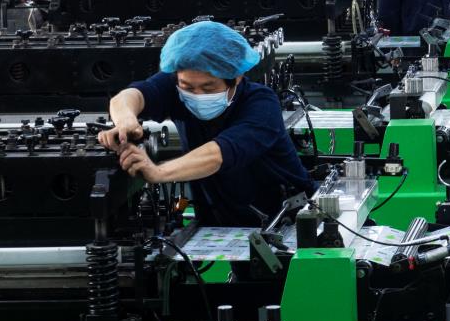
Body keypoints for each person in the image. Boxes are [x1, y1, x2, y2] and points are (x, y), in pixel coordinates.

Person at [98, 22, 313, 227]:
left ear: (236, 77)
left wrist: (158, 172)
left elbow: (218, 154)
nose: (197, 94)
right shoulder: (177, 85)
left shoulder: (262, 104)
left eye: (208, 88)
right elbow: (130, 96)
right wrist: (126, 121)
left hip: (290, 221)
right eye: (188, 88)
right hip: (221, 222)